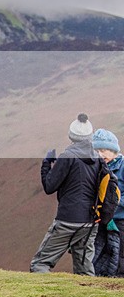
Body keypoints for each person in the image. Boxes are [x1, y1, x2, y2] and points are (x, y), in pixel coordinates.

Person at [30, 113, 101, 275]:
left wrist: (47, 164)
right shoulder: (97, 159)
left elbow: (49, 186)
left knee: (40, 264)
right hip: (90, 222)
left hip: (67, 220)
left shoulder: (68, 157)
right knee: (84, 269)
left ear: (72, 136)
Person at [91, 128, 123, 277]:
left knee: (120, 254)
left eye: (104, 150)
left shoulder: (122, 167)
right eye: (96, 150)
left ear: (114, 151)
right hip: (100, 221)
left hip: (120, 220)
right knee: (98, 254)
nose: (100, 154)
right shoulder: (94, 168)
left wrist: (111, 204)